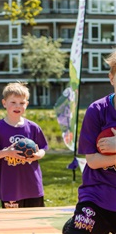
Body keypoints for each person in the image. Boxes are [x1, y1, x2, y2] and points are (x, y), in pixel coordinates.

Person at [62, 51, 116, 233]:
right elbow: (92, 161)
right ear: (111, 78)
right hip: (97, 195)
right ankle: (75, 224)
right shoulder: (97, 110)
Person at [0, 82, 48, 209]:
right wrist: (6, 152)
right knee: (13, 224)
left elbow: (43, 148)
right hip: (10, 188)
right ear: (4, 103)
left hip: (33, 187)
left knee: (36, 222)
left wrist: (38, 155)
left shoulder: (33, 127)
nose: (18, 106)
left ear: (26, 104)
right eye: (13, 102)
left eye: (22, 103)